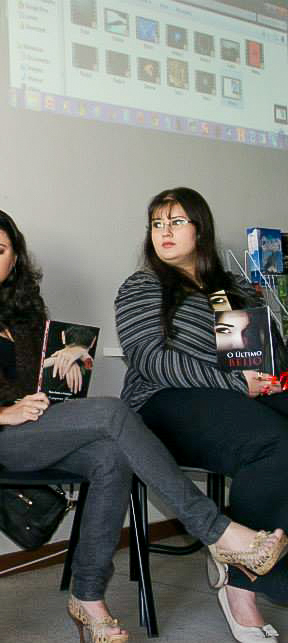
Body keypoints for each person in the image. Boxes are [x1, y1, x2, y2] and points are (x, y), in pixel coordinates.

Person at [0, 207, 287, 643]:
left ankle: (87, 599)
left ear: (15, 259)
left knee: (111, 457)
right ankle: (217, 532)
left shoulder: (26, 312)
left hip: (27, 426)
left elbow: (44, 388)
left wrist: (70, 357)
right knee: (113, 413)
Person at [116, 187, 288, 643]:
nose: (164, 233)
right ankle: (240, 585)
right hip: (161, 403)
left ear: (200, 229)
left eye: (176, 222)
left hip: (231, 401)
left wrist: (271, 374)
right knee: (272, 441)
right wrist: (236, 383)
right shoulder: (142, 286)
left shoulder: (229, 290)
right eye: (157, 224)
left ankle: (265, 560)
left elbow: (259, 357)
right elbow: (150, 361)